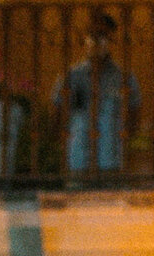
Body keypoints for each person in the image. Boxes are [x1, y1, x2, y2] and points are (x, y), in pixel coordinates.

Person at [54, 15, 138, 175]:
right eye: (92, 35)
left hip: (111, 161)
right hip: (77, 160)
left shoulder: (124, 77)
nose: (97, 41)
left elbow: (134, 114)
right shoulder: (71, 76)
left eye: (102, 35)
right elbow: (57, 114)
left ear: (111, 38)